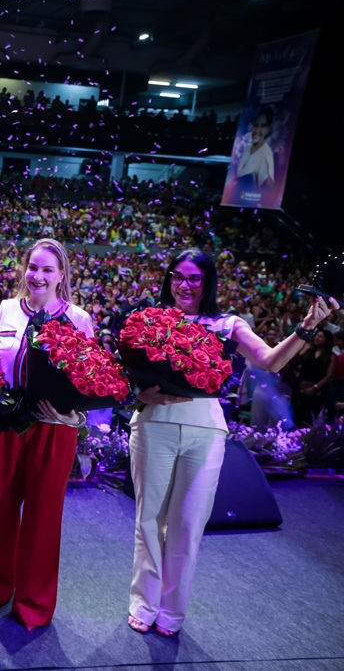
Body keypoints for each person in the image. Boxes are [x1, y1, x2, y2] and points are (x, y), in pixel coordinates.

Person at [128, 249, 337, 637]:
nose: (185, 285)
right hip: (154, 423)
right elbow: (125, 371)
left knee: (188, 524)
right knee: (149, 519)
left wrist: (307, 326)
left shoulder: (228, 324)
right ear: (169, 279)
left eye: (194, 278)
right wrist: (139, 392)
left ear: (208, 282)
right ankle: (144, 602)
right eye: (178, 276)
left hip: (205, 431)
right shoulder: (149, 319)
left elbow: (270, 361)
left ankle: (172, 610)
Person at [0, 238, 94, 630]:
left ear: (61, 275)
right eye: (33, 267)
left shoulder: (78, 318)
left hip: (53, 428)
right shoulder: (6, 311)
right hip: (5, 424)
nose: (38, 276)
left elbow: (90, 378)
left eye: (47, 269)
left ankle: (34, 603)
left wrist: (73, 414)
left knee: (44, 516)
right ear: (23, 270)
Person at [287, 328, 336, 427]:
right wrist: (303, 350)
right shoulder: (308, 351)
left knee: (311, 417)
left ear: (327, 340)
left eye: (321, 336)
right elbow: (295, 364)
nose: (317, 338)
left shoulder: (331, 356)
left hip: (318, 389)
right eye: (317, 335)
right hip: (301, 387)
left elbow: (329, 375)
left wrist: (315, 387)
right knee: (296, 414)